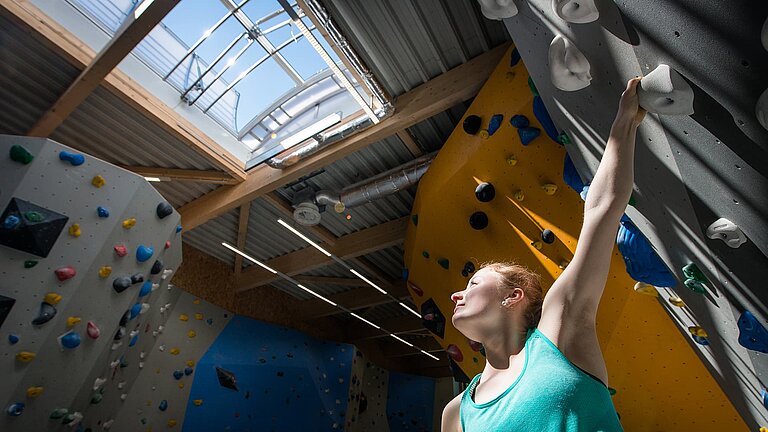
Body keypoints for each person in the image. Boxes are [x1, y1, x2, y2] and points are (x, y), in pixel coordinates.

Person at [441, 77, 646, 432]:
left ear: (513, 296)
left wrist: (624, 122)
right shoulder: (456, 414)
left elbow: (602, 209)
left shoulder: (560, 333)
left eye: (474, 282)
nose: (456, 293)